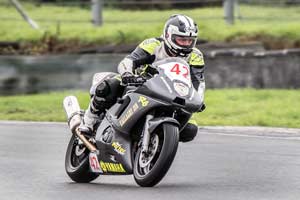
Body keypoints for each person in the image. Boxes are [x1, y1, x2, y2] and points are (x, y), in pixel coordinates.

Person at [79, 14, 206, 142]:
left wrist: (198, 99)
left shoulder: (196, 55)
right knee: (108, 86)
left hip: (172, 93)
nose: (186, 44)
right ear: (169, 35)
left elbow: (198, 82)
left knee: (190, 129)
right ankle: (89, 121)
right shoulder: (154, 44)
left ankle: (156, 144)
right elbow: (128, 61)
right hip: (141, 84)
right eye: (182, 40)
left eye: (190, 41)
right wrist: (127, 74)